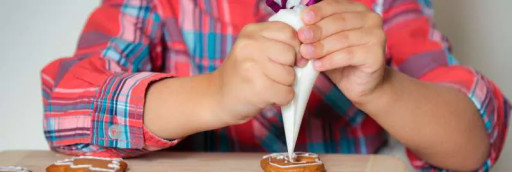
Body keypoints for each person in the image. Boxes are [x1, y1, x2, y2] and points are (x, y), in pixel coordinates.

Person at [40, 0, 510, 171]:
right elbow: (65, 111)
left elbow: (473, 142)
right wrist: (214, 95)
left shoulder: (383, 5)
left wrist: (380, 87)